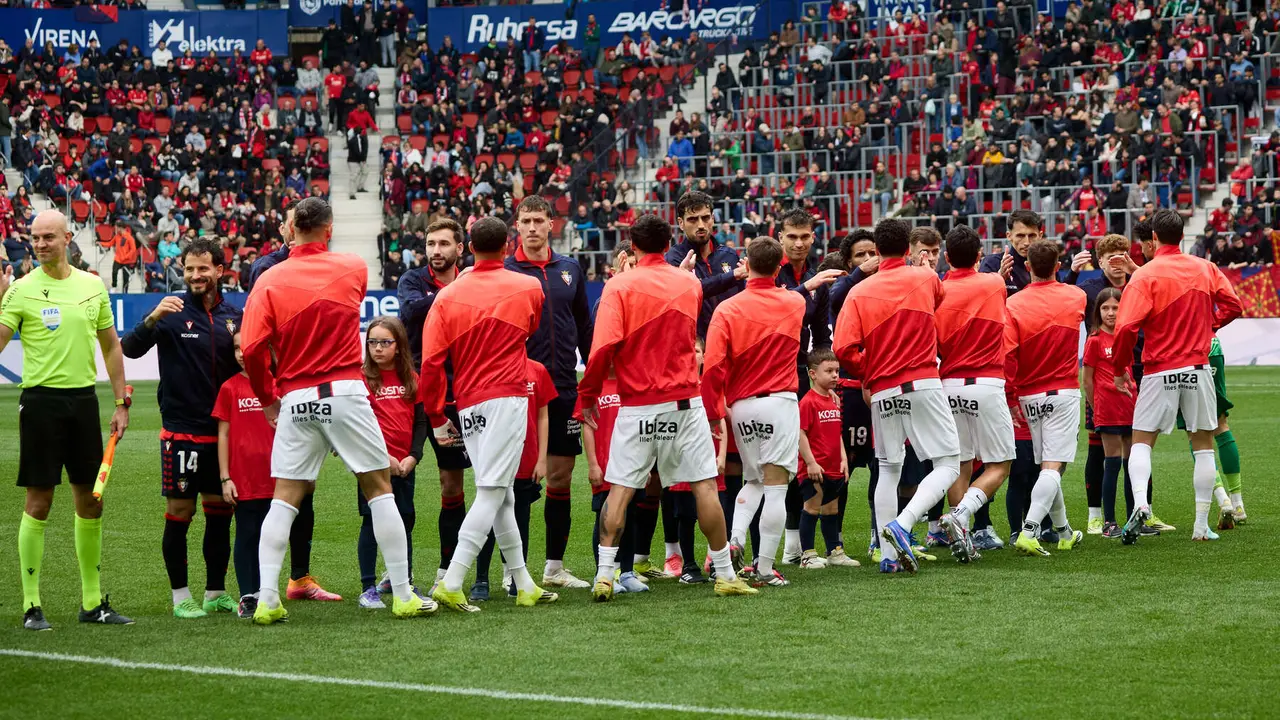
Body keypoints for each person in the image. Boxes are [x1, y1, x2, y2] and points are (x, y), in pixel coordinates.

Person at [241, 197, 434, 624]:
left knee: (284, 499)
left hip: (296, 396)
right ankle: (403, 594)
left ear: (291, 228)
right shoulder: (353, 267)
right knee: (380, 489)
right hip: (344, 391)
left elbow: (252, 349)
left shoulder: (269, 280)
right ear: (329, 229)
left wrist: (268, 397)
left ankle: (268, 598)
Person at [579, 213, 756, 599]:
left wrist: (587, 395)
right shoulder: (688, 283)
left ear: (633, 245)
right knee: (704, 487)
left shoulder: (618, 286)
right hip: (684, 401)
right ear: (667, 243)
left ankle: (605, 574)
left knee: (620, 489)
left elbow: (602, 347)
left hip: (637, 403)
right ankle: (725, 574)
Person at [0, 209, 133, 630]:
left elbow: (111, 346)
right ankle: (31, 606)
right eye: (35, 237)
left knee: (91, 501)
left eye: (48, 237)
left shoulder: (92, 285)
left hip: (83, 403)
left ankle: (92, 604)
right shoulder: (20, 290)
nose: (40, 244)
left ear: (67, 238)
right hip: (40, 404)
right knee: (39, 502)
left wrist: (121, 402)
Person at [420, 216, 559, 612]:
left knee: (503, 494)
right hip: (507, 396)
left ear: (469, 247)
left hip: (468, 401)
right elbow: (529, 329)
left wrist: (435, 414)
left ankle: (524, 582)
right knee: (493, 492)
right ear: (507, 246)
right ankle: (452, 581)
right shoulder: (528, 286)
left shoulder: (448, 296)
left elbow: (431, 362)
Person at [120, 237, 246, 618]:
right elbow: (130, 348)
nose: (195, 275)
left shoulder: (235, 316)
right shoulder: (170, 312)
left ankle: (215, 592)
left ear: (219, 271)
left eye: (202, 268)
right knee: (180, 513)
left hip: (223, 433)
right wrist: (153, 317)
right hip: (182, 433)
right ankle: (180, 597)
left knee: (220, 516)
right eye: (189, 269)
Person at [833, 218, 961, 575]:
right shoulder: (925, 278)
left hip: (883, 388)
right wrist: (922, 270)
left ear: (876, 250)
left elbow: (843, 348)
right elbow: (939, 298)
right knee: (949, 463)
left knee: (888, 469)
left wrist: (868, 368)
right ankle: (903, 524)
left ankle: (889, 556)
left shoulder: (859, 291)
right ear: (908, 248)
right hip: (922, 380)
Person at [1111, 209, 1243, 544]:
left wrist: (1120, 368)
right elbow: (1234, 305)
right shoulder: (1204, 268)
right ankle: (1200, 526)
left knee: (1142, 442)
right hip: (1197, 368)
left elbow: (1125, 327)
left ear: (1154, 238)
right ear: (1182, 236)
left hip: (1159, 370)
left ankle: (1140, 505)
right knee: (1204, 447)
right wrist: (1209, 324)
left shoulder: (1145, 275)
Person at [701, 236, 807, 587]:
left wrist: (713, 410)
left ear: (745, 265)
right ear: (778, 268)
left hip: (742, 406)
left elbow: (713, 365)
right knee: (775, 488)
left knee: (753, 480)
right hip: (779, 402)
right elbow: (795, 296)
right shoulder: (794, 302)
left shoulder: (727, 309)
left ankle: (734, 540)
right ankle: (763, 568)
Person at [504, 196, 594, 590]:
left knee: (560, 478)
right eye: (526, 221)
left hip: (564, 387)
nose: (533, 227)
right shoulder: (507, 271)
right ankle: (513, 569)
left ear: (551, 224)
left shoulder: (569, 269)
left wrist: (593, 377)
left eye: (539, 220)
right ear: (517, 226)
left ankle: (554, 568)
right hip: (518, 389)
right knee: (516, 481)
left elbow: (584, 326)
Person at [662, 190, 746, 578]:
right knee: (677, 465)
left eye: (706, 217)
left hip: (728, 362)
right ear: (680, 222)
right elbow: (691, 291)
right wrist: (729, 277)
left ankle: (724, 549)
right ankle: (677, 553)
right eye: (692, 218)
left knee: (729, 459)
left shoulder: (729, 255)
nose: (700, 224)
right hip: (685, 363)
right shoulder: (673, 260)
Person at [933, 225, 1016, 563]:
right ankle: (961, 515)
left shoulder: (938, 290)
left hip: (949, 383)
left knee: (959, 463)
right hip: (986, 382)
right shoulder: (994, 283)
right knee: (1000, 463)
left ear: (946, 256)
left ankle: (962, 533)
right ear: (979, 255)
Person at [1004, 240, 1088, 557]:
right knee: (1054, 466)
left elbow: (1008, 355)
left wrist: (1011, 396)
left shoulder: (1013, 304)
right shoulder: (1076, 295)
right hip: (1062, 391)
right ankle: (1029, 530)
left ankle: (1064, 531)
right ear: (1058, 266)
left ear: (1027, 266)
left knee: (1046, 466)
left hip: (1028, 395)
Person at [397, 219, 467, 591]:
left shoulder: (469, 283)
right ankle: (397, 573)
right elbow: (412, 312)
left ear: (460, 248)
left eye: (443, 244)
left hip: (453, 395)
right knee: (397, 482)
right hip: (410, 395)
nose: (436, 250)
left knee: (451, 484)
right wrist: (459, 290)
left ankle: (446, 570)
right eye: (430, 243)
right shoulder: (412, 280)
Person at [773, 210, 843, 564]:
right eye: (792, 236)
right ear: (780, 238)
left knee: (804, 457)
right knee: (779, 460)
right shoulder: (773, 273)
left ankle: (805, 545)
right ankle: (788, 545)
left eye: (804, 236)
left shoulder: (819, 279)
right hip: (771, 374)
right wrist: (807, 288)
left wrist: (823, 375)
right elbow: (772, 314)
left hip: (801, 372)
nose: (799, 243)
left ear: (813, 237)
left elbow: (820, 333)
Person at [470, 355, 557, 601]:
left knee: (521, 518)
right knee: (487, 517)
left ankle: (519, 580)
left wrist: (541, 458)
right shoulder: (488, 366)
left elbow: (543, 416)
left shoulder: (537, 370)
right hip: (495, 456)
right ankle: (481, 579)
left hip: (526, 456)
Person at [356, 317, 428, 609]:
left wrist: (413, 456)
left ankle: (402, 580)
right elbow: (359, 427)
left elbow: (421, 422)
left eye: (385, 342)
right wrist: (384, 458)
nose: (377, 348)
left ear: (398, 346)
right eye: (372, 342)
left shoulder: (411, 378)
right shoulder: (361, 380)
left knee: (405, 520)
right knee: (371, 521)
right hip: (373, 465)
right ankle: (367, 587)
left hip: (405, 466)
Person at [212, 330, 282, 618]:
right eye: (236, 348)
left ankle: (267, 592)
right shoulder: (229, 388)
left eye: (248, 348)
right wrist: (225, 477)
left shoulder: (278, 386)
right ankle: (247, 595)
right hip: (244, 479)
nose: (242, 354)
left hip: (276, 477)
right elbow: (223, 434)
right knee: (247, 534)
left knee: (272, 536)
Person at [795, 349, 858, 569]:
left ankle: (834, 552)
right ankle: (807, 555)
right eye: (828, 371)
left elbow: (837, 433)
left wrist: (843, 459)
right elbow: (800, 433)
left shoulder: (834, 400)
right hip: (815, 469)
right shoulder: (808, 402)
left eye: (837, 371)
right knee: (812, 508)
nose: (835, 375)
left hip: (833, 467)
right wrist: (811, 462)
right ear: (812, 374)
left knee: (831, 510)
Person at [1081, 287, 1135, 538]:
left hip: (1129, 407)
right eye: (1105, 308)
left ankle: (1134, 517)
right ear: (1098, 312)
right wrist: (1097, 408)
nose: (1111, 313)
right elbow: (1087, 380)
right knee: (1111, 464)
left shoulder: (1126, 336)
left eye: (1115, 307)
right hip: (1108, 410)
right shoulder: (1094, 340)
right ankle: (1109, 522)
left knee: (1132, 465)